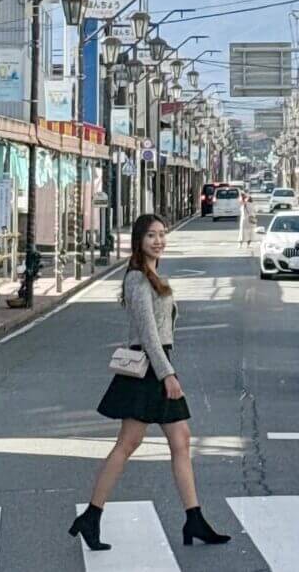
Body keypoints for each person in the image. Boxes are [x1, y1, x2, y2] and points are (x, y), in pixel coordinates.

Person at [68, 213, 231, 552]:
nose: (158, 240)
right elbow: (148, 335)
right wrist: (167, 374)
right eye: (151, 235)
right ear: (139, 241)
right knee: (128, 444)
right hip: (150, 370)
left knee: (179, 440)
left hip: (157, 367)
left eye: (162, 234)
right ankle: (92, 516)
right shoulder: (138, 280)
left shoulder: (153, 275)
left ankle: (193, 518)